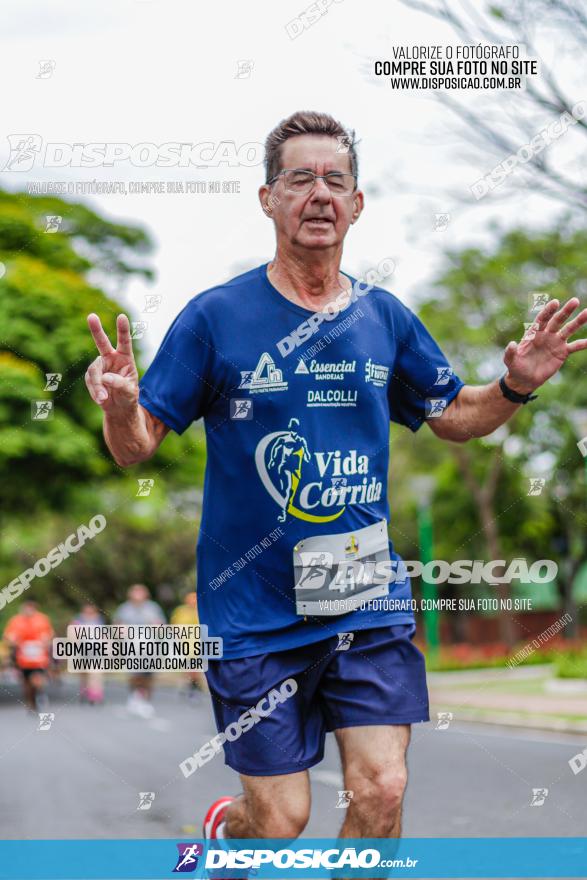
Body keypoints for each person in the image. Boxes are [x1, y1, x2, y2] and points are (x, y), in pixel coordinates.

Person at [84, 110, 587, 848]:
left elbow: (453, 416)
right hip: (252, 614)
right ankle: (231, 828)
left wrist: (511, 387)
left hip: (363, 596)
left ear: (356, 204)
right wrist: (122, 407)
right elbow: (137, 447)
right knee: (281, 822)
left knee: (382, 788)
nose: (318, 193)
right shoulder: (216, 318)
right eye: (298, 178)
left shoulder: (383, 317)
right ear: (267, 199)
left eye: (335, 180)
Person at [113, 584, 165, 718]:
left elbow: (161, 625)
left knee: (148, 675)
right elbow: (117, 626)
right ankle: (134, 696)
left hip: (150, 645)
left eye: (140, 592)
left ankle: (146, 700)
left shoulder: (153, 608)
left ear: (145, 595)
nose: (138, 595)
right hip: (131, 646)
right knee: (135, 673)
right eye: (135, 593)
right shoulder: (124, 609)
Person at [3, 600, 54, 711]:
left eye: (31, 608)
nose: (28, 610)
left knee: (38, 678)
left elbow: (50, 634)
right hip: (23, 657)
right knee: (26, 682)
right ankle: (30, 702)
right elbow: (8, 635)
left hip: (39, 656)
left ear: (35, 608)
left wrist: (46, 639)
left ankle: (40, 695)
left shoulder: (42, 619)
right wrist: (12, 640)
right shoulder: (16, 621)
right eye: (26, 608)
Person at [170, 591, 208, 694]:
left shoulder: (202, 610)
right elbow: (174, 625)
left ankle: (194, 686)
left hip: (197, 644)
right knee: (188, 667)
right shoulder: (180, 611)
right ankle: (192, 685)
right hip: (183, 643)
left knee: (194, 667)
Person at [71, 602, 105, 704]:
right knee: (84, 673)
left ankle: (95, 694)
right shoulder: (78, 620)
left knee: (95, 673)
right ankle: (84, 691)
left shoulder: (99, 620)